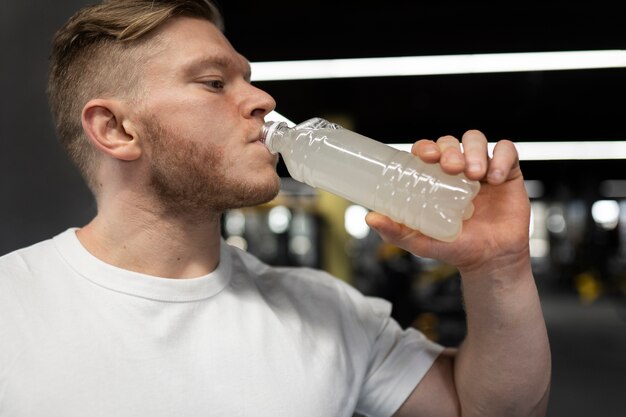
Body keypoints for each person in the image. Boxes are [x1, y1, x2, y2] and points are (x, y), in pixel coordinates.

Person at [0, 1, 551, 416]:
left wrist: (499, 268)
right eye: (214, 82)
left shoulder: (328, 311)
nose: (264, 100)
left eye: (248, 77)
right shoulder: (12, 307)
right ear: (117, 129)